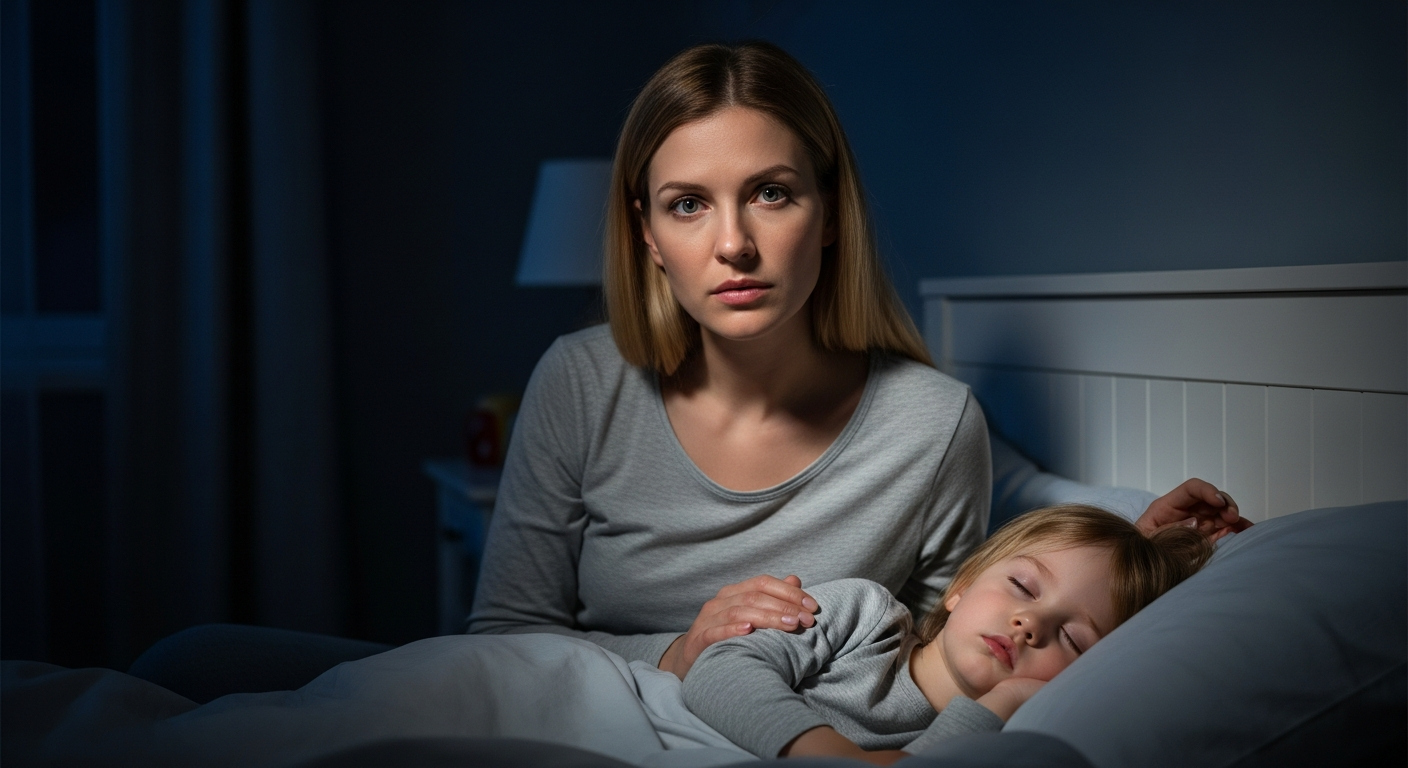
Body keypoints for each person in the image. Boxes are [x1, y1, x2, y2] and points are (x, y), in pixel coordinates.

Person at [466, 40, 1247, 681]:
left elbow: (943, 666)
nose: (733, 243)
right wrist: (680, 654)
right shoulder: (580, 381)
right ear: (646, 233)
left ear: (831, 211)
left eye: (771, 193)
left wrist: (1147, 558)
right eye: (688, 204)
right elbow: (505, 639)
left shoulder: (935, 426)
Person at [681, 505, 1215, 764]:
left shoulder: (999, 736)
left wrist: (1001, 702)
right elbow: (719, 669)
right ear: (959, 588)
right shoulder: (867, 616)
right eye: (1022, 586)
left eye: (1073, 639)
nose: (1030, 624)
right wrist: (832, 756)